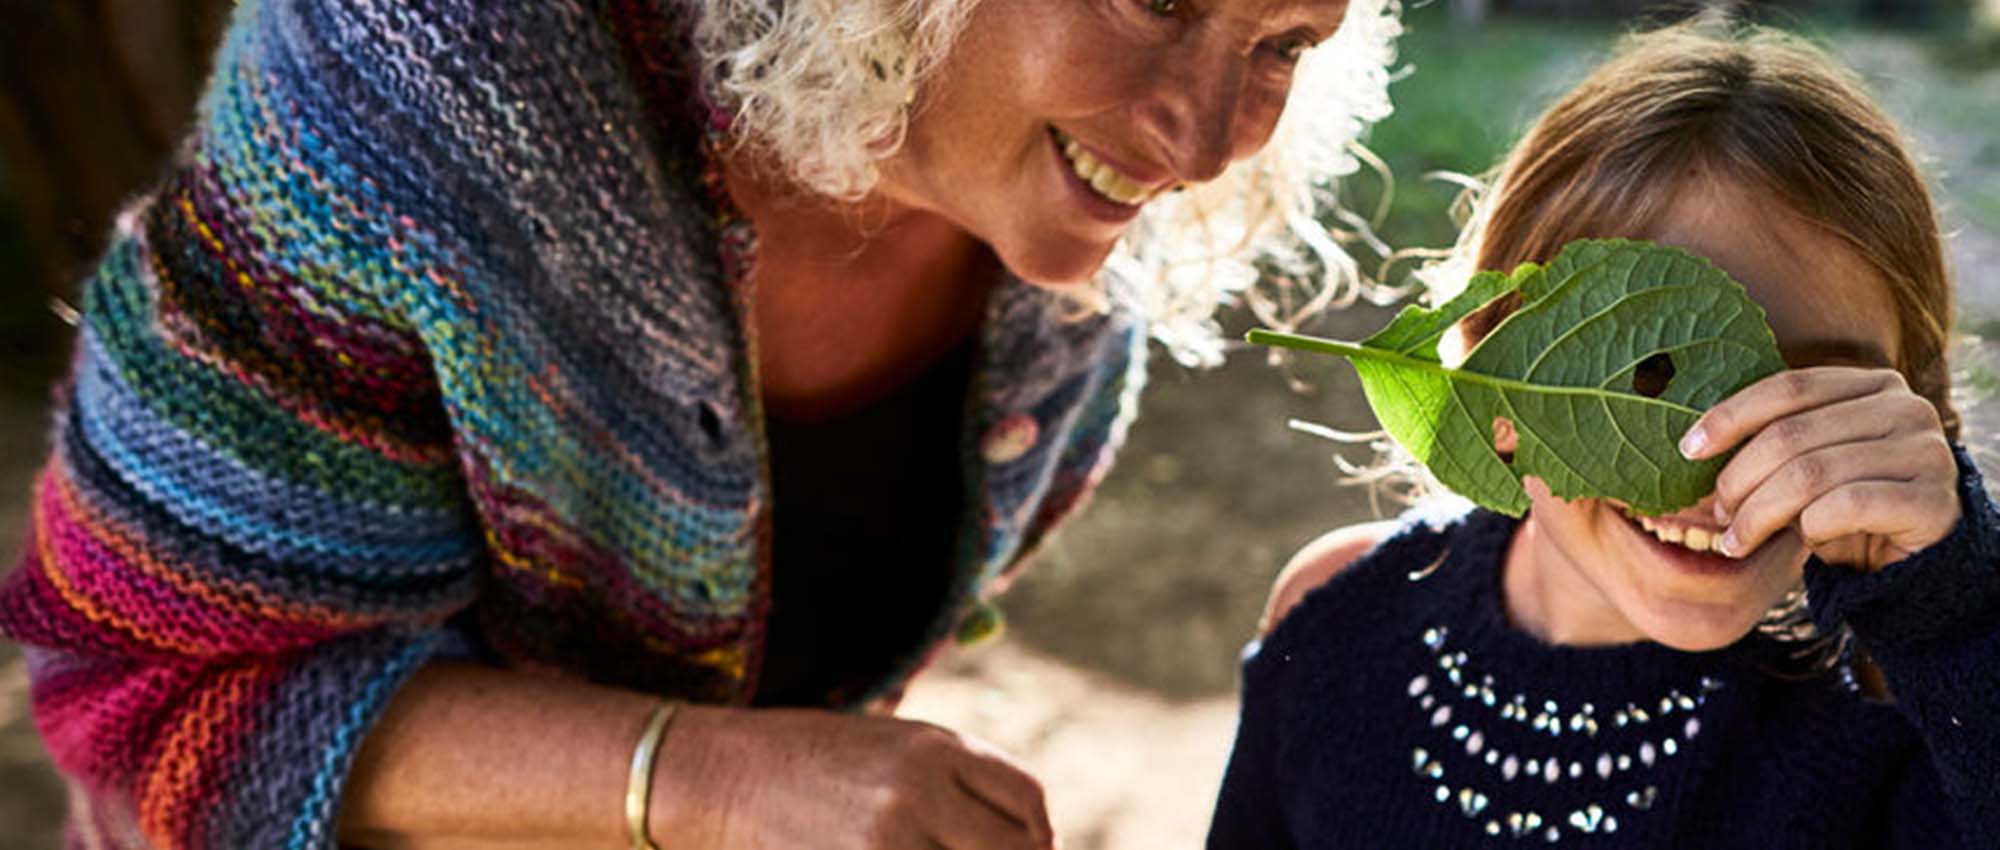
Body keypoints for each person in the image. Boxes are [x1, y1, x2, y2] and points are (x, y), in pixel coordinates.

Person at [0, 0, 1404, 848]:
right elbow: (145, 687)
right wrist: (708, 780)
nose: (1211, 135)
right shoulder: (412, 76)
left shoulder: (1077, 233)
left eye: (1284, 41)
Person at [1208, 19, 1999, 849]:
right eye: (1646, 374)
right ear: (1494, 361)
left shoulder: (1909, 719)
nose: (1709, 469)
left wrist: (1949, 614)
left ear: (1913, 408)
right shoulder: (1334, 618)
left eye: (1803, 404)